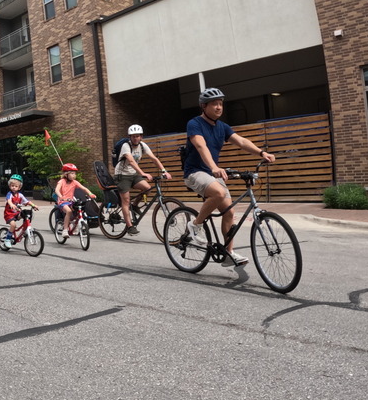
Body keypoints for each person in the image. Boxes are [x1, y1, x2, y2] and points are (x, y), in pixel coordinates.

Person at [183, 87, 275, 266]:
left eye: (220, 104)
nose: (219, 107)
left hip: (212, 173)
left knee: (229, 212)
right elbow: (201, 146)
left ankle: (228, 254)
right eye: (214, 104)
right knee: (218, 193)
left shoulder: (222, 127)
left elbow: (241, 141)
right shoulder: (194, 124)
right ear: (204, 106)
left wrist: (261, 152)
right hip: (195, 172)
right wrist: (214, 167)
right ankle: (195, 225)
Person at [114, 124, 171, 234]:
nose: (135, 138)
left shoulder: (142, 145)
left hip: (133, 174)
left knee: (147, 188)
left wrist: (164, 171)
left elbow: (154, 158)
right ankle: (130, 226)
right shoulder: (126, 146)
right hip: (122, 175)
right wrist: (142, 173)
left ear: (141, 137)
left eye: (137, 136)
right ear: (130, 137)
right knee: (126, 200)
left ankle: (135, 206)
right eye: (133, 136)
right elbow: (131, 161)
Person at [54, 163, 96, 236]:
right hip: (63, 201)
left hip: (71, 201)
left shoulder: (74, 182)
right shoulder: (61, 181)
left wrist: (90, 194)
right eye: (72, 173)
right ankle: (65, 230)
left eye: (75, 173)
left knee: (80, 210)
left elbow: (84, 188)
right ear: (66, 174)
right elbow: (57, 190)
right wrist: (61, 196)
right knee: (69, 211)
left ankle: (76, 224)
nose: (74, 175)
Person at [3, 173, 38, 248]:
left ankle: (25, 229)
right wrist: (11, 205)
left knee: (26, 214)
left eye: (16, 186)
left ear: (19, 187)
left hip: (16, 213)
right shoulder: (10, 194)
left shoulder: (20, 195)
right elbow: (9, 200)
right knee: (13, 225)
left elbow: (27, 201)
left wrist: (33, 205)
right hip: (9, 214)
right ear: (9, 186)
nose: (14, 188)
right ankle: (7, 239)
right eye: (12, 186)